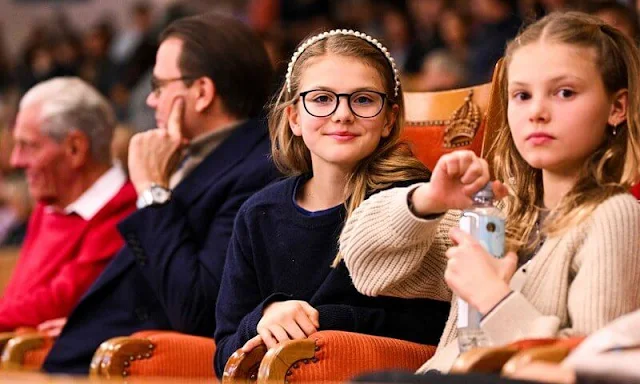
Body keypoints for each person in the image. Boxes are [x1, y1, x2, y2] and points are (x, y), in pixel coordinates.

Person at [340, 11, 640, 374]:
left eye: (565, 92)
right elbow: (367, 266)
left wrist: (495, 300)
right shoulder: (499, 211)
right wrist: (428, 201)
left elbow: (592, 371)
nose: (537, 112)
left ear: (617, 107)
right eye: (522, 95)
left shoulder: (614, 214)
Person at [42, 13, 278, 375]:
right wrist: (98, 320)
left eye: (160, 86)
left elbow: (197, 309)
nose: (151, 101)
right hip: (103, 348)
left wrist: (153, 192)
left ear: (202, 93)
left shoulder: (258, 170)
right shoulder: (203, 155)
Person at [213, 29, 451, 377]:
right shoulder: (258, 214)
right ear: (294, 116)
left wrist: (322, 320)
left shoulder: (412, 204)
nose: (342, 114)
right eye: (322, 99)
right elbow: (223, 358)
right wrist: (266, 317)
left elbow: (437, 327)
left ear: (388, 119)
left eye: (364, 100)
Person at [0, 77, 137, 331]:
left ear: (75, 148)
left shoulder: (126, 214)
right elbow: (18, 300)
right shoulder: (50, 202)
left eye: (28, 146)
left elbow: (57, 303)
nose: (16, 160)